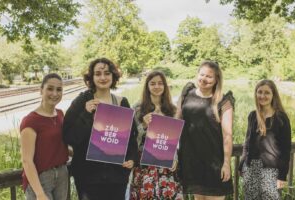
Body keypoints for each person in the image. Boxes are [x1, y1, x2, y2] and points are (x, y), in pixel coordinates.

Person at [62, 58, 138, 200]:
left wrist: (132, 159)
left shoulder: (122, 102)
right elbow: (69, 137)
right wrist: (85, 114)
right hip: (87, 177)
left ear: (113, 76)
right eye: (97, 74)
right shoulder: (82, 101)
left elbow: (132, 138)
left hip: (116, 176)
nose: (103, 77)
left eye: (107, 73)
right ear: (91, 77)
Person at [176, 61, 234, 200]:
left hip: (214, 164)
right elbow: (176, 121)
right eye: (202, 74)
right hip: (192, 160)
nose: (204, 79)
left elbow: (227, 135)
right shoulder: (187, 93)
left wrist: (226, 163)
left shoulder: (223, 101)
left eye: (209, 76)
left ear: (216, 80)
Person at [130, 71, 183, 200]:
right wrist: (143, 125)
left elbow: (176, 140)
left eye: (160, 83)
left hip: (167, 166)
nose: (157, 86)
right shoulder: (137, 109)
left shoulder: (173, 110)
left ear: (165, 86)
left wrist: (175, 158)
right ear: (147, 86)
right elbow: (131, 140)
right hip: (144, 166)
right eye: (152, 83)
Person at [239, 79, 291, 200]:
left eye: (267, 93)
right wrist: (241, 165)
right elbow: (247, 142)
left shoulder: (281, 118)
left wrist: (282, 176)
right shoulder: (252, 116)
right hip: (250, 168)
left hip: (271, 170)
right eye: (259, 92)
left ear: (273, 95)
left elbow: (285, 149)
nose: (262, 96)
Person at [20, 73, 69, 200]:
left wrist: (87, 153)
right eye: (50, 88)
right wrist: (39, 193)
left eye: (59, 89)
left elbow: (59, 146)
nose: (55, 93)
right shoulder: (30, 121)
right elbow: (27, 160)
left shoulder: (60, 114)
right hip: (41, 178)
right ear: (41, 90)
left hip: (62, 175)